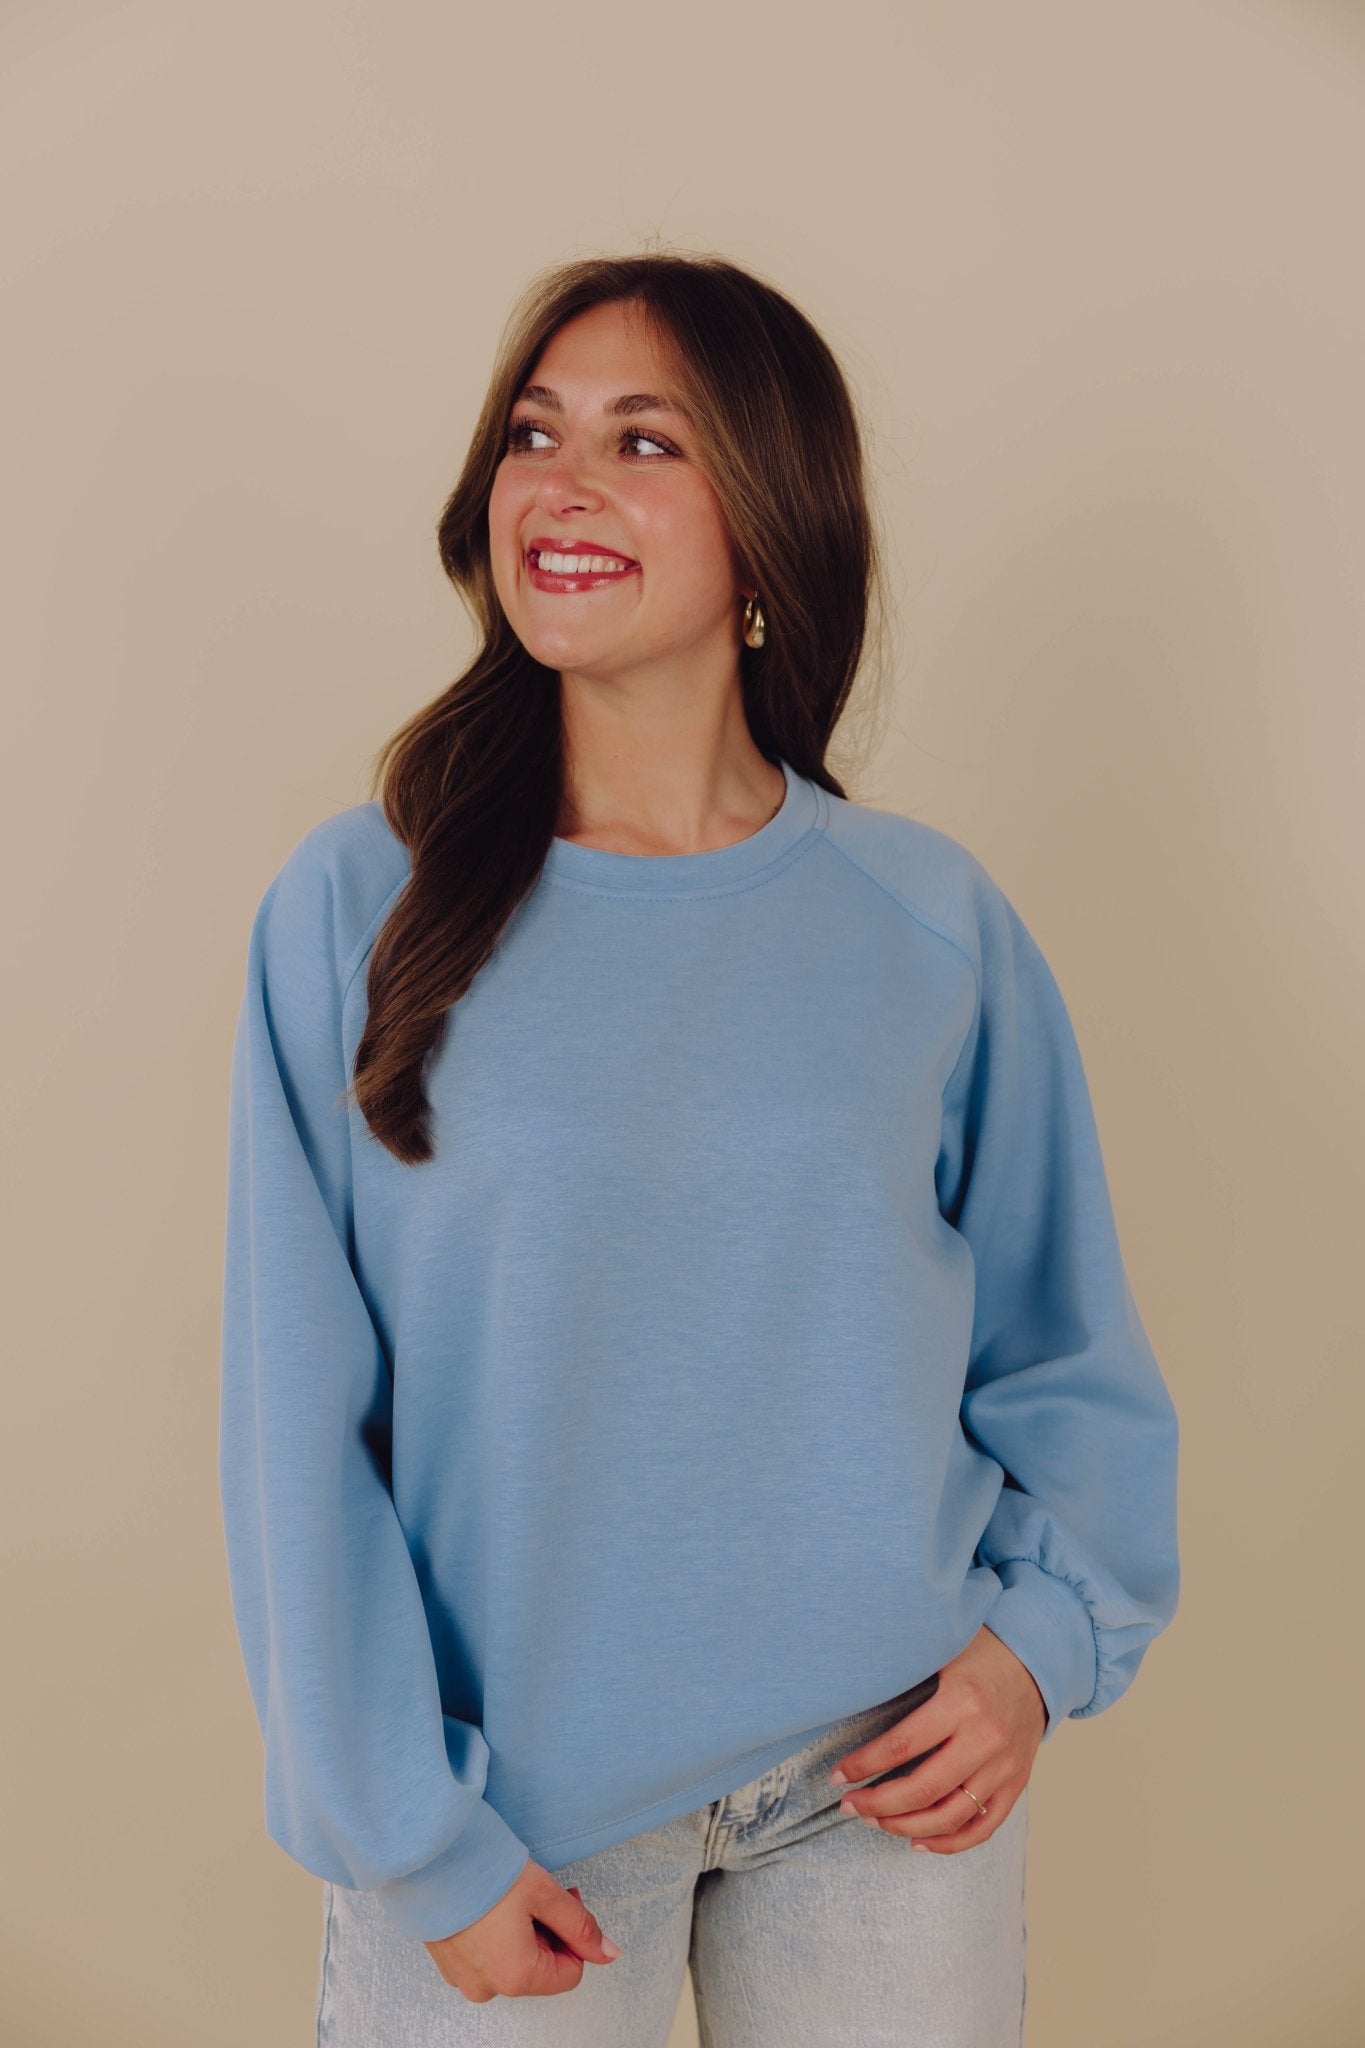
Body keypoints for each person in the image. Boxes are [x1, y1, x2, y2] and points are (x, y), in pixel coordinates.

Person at [218, 252, 1181, 2046]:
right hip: (507, 1817)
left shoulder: (924, 920)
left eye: (641, 441)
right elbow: (295, 1427)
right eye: (532, 436)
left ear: (767, 526)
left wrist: (1037, 1655)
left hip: (882, 1790)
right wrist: (414, 1837)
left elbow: (1063, 1352)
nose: (560, 487)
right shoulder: (358, 907)